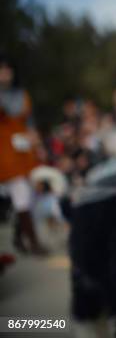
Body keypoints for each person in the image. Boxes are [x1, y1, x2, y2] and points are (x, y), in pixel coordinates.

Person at [0, 54, 46, 255]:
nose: (5, 73)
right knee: (21, 195)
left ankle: (20, 237)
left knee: (30, 197)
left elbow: (30, 123)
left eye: (7, 69)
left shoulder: (22, 95)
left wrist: (37, 143)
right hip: (5, 153)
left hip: (25, 151)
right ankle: (33, 242)